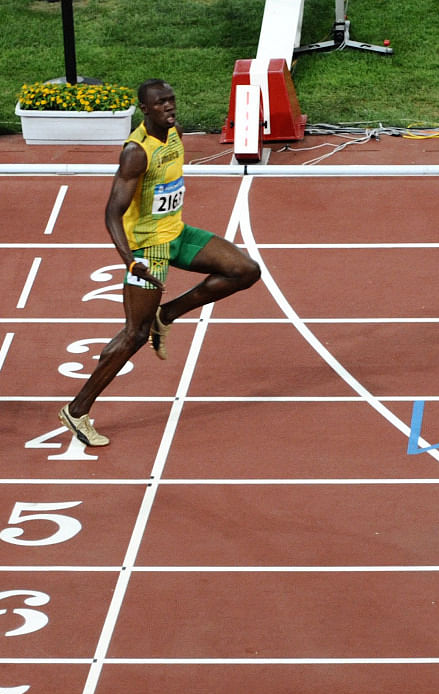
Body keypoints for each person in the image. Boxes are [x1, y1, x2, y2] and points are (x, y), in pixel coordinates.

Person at [59, 79, 261, 447]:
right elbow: (112, 213)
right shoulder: (136, 152)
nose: (170, 107)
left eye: (172, 100)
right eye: (162, 103)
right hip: (149, 251)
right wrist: (130, 261)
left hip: (178, 234)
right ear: (145, 109)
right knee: (133, 335)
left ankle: (165, 315)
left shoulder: (174, 134)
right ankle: (77, 411)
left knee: (245, 270)